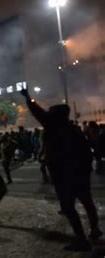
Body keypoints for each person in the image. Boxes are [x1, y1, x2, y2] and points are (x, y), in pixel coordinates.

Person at [21, 88, 102, 251]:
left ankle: (81, 240)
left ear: (55, 115)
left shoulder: (53, 126)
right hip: (80, 173)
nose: (48, 113)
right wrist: (86, 170)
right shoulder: (74, 129)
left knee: (68, 207)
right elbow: (87, 153)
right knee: (87, 202)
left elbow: (37, 112)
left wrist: (28, 97)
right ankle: (95, 229)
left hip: (63, 174)